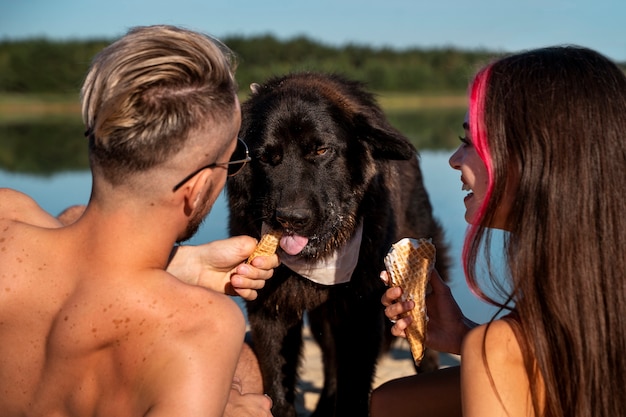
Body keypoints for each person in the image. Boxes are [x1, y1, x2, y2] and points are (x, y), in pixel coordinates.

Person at [0, 25, 277, 416]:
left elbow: (66, 227)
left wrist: (186, 264)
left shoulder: (7, 217)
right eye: (234, 158)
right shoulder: (203, 326)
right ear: (196, 189)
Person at [371, 45, 626, 417]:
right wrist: (464, 334)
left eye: (470, 142)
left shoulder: (498, 348)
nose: (454, 160)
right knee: (393, 402)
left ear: (536, 159)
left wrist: (487, 346)